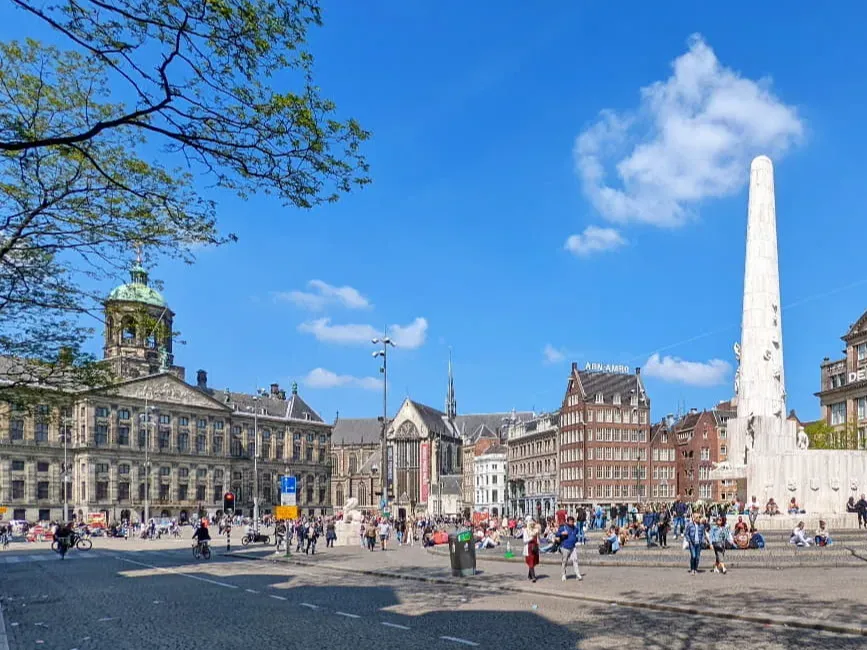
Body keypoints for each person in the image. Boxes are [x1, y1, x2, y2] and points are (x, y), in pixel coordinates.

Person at [557, 516, 583, 582]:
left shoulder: (575, 528)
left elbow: (576, 533)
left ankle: (578, 574)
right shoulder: (564, 527)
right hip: (565, 547)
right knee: (564, 561)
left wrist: (576, 539)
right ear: (568, 521)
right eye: (570, 521)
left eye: (572, 521)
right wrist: (561, 533)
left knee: (575, 560)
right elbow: (557, 534)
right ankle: (563, 575)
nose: (572, 522)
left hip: (573, 547)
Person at [522, 516, 541, 583]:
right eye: (530, 523)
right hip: (529, 548)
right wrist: (531, 538)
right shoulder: (525, 530)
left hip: (535, 547)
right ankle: (533, 577)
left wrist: (538, 541)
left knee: (534, 562)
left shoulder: (535, 530)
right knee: (531, 562)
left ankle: (530, 575)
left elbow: (538, 539)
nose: (532, 524)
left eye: (533, 523)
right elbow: (524, 540)